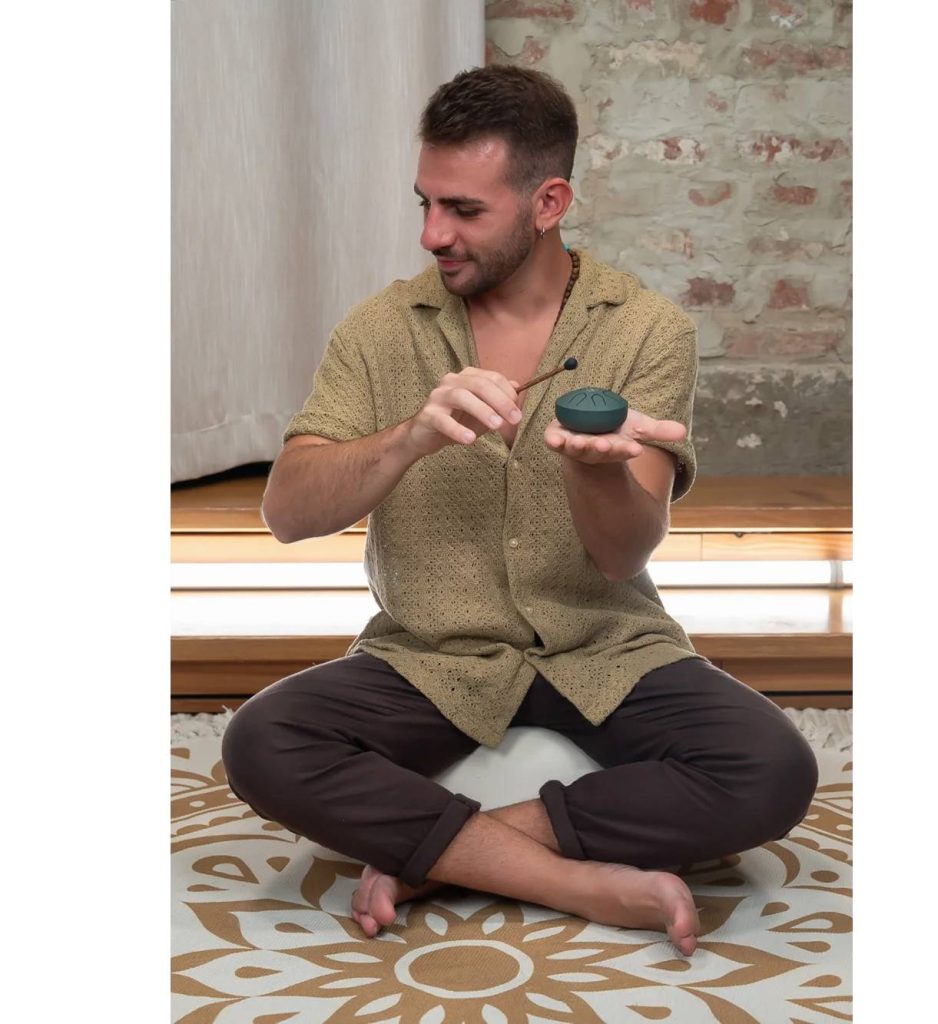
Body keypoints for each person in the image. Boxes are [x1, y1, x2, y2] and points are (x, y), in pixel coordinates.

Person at [220, 65, 818, 958]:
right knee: (263, 742)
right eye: (425, 203)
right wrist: (410, 437)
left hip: (606, 647)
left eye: (464, 210)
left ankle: (449, 854)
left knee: (774, 769)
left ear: (549, 203)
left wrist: (595, 474)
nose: (432, 233)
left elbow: (622, 557)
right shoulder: (380, 330)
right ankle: (577, 883)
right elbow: (288, 513)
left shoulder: (646, 329)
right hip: (430, 655)